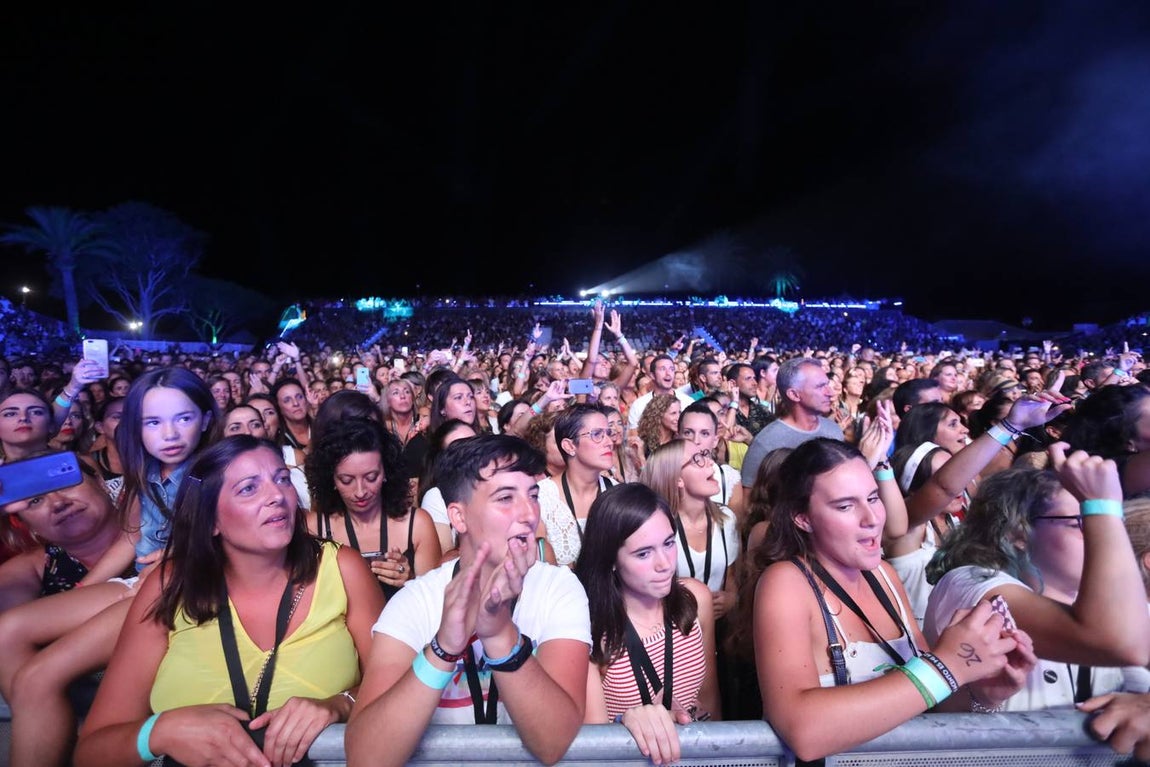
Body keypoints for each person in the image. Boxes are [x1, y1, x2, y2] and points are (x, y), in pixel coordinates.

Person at [73, 435, 384, 767]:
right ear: (212, 520)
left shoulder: (342, 569)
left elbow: (394, 689)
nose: (277, 496)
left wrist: (341, 704)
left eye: (282, 479)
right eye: (249, 488)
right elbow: (91, 752)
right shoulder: (170, 585)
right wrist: (159, 732)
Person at [751, 438, 1036, 763]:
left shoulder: (884, 576)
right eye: (845, 506)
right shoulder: (787, 582)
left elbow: (930, 699)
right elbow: (801, 730)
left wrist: (982, 690)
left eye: (873, 498)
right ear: (803, 518)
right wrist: (949, 665)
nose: (871, 517)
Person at [345, 434, 591, 767]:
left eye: (532, 495)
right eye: (505, 497)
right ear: (458, 518)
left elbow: (553, 742)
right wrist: (443, 649)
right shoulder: (415, 603)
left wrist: (500, 634)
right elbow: (366, 757)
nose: (528, 513)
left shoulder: (559, 589)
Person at [923, 448, 1150, 711]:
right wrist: (1103, 507)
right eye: (1080, 522)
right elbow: (1121, 645)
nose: (1100, 535)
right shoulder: (970, 585)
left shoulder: (1114, 605)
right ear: (1017, 533)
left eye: (1097, 522)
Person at [0, 454, 137, 767]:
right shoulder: (27, 569)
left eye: (65, 482)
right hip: (81, 720)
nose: (58, 502)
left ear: (100, 482)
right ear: (21, 520)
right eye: (35, 500)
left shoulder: (151, 523)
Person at [574, 483, 720, 766]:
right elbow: (592, 746)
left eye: (668, 543)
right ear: (611, 560)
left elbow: (710, 699)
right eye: (643, 553)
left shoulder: (695, 599)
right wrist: (623, 719)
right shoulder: (590, 629)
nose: (664, 564)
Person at [307, 417, 441, 599]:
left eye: (371, 477)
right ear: (331, 479)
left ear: (386, 472)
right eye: (347, 480)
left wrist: (412, 581)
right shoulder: (315, 528)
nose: (360, 491)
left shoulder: (417, 524)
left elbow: (434, 602)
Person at [740, 357, 845, 490]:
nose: (830, 393)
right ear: (794, 395)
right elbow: (749, 502)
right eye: (820, 387)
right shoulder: (766, 443)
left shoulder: (833, 430)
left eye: (827, 384)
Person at [537, 404, 617, 568]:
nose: (609, 442)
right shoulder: (541, 497)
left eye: (608, 433)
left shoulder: (618, 492)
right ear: (570, 446)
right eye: (597, 434)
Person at [679, 400, 746, 524]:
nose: (696, 440)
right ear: (678, 437)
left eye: (704, 433)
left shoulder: (729, 477)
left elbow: (735, 533)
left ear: (715, 440)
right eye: (688, 432)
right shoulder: (668, 473)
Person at [626, 355, 695, 433]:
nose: (668, 373)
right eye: (662, 369)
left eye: (672, 369)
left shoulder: (688, 402)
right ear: (652, 375)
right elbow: (633, 438)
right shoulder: (639, 405)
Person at [82, 396, 126, 504]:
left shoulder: (156, 459)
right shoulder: (89, 463)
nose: (127, 422)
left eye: (134, 416)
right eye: (117, 417)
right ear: (100, 427)